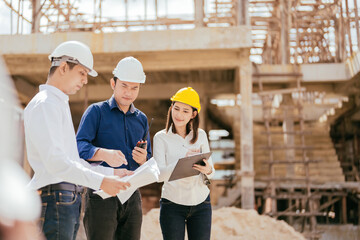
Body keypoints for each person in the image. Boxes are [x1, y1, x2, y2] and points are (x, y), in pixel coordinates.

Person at [24, 41, 132, 240]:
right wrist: (101, 180)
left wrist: (110, 172)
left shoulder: (56, 104)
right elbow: (56, 162)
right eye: (82, 73)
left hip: (64, 199)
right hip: (56, 199)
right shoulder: (46, 104)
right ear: (64, 67)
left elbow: (71, 161)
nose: (85, 81)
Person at [76, 56, 152, 240]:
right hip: (101, 194)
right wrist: (102, 153)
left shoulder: (141, 119)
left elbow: (148, 157)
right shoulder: (96, 112)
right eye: (124, 85)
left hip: (131, 194)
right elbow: (79, 147)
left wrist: (144, 159)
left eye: (134, 88)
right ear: (113, 83)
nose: (129, 92)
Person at [153, 87, 215, 240]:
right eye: (176, 108)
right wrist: (182, 162)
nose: (179, 115)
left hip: (201, 203)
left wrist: (207, 169)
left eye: (185, 111)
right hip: (172, 205)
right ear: (171, 108)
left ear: (194, 114)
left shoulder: (201, 135)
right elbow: (159, 175)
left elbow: (212, 172)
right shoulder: (161, 138)